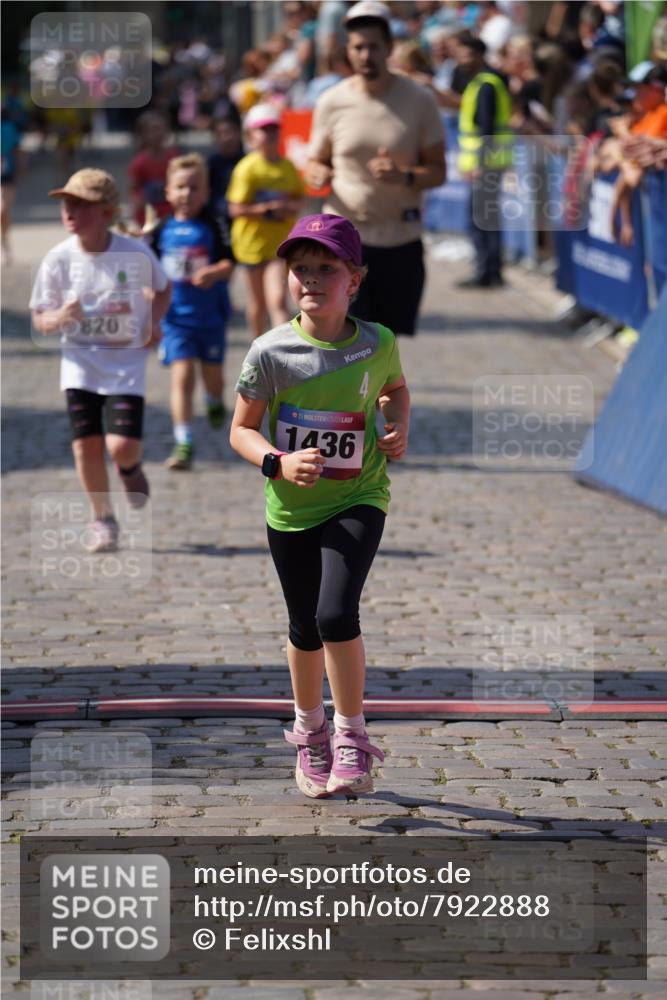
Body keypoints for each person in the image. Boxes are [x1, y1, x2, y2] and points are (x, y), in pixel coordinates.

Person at [230, 213, 410, 797]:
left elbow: (395, 389)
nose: (310, 278)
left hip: (360, 493)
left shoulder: (378, 342)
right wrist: (275, 463)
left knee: (336, 613)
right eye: (299, 269)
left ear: (353, 279)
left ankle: (352, 736)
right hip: (290, 506)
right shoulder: (270, 351)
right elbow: (241, 430)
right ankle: (310, 734)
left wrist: (396, 425)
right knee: (304, 626)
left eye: (325, 269)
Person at [29, 169, 171, 551]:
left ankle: (129, 468)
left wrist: (153, 323)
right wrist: (61, 317)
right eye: (66, 203)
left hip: (126, 365)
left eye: (80, 204)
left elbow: (163, 288)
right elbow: (40, 318)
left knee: (121, 445)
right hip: (80, 365)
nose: (70, 210)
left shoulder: (135, 252)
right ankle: (102, 518)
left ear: (107, 213)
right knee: (84, 445)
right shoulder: (58, 260)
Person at [306, 0, 445, 336]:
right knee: (346, 342)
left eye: (373, 47)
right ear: (347, 51)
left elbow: (439, 172)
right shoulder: (331, 100)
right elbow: (315, 161)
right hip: (344, 243)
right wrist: (317, 173)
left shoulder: (419, 99)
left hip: (400, 242)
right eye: (358, 47)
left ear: (389, 48)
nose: (366, 55)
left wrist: (405, 176)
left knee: (384, 347)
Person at [149, 154, 235, 470]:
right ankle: (184, 441)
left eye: (194, 187)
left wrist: (213, 273)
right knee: (182, 378)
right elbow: (149, 270)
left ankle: (214, 400)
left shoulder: (214, 223)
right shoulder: (159, 230)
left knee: (213, 380)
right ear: (168, 192)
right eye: (180, 187)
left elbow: (230, 264)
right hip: (175, 321)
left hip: (210, 319)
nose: (186, 194)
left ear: (206, 191)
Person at [226, 103, 305, 339]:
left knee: (278, 301)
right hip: (250, 245)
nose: (269, 135)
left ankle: (280, 349)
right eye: (263, 130)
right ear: (250, 136)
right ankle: (257, 348)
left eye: (273, 129)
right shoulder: (247, 168)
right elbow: (235, 208)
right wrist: (268, 210)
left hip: (280, 246)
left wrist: (289, 207)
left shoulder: (288, 166)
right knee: (257, 304)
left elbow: (300, 199)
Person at [456, 31, 513, 288]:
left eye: (466, 54)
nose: (461, 59)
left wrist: (480, 163)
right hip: (492, 162)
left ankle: (486, 272)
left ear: (479, 55)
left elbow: (486, 128)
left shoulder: (485, 84)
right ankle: (491, 271)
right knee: (487, 219)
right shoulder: (481, 82)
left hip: (487, 163)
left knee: (481, 220)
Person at [128, 110, 180, 228]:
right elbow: (134, 192)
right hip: (148, 218)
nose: (157, 134)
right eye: (153, 130)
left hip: (172, 216)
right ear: (143, 134)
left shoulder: (174, 158)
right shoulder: (139, 163)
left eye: (160, 129)